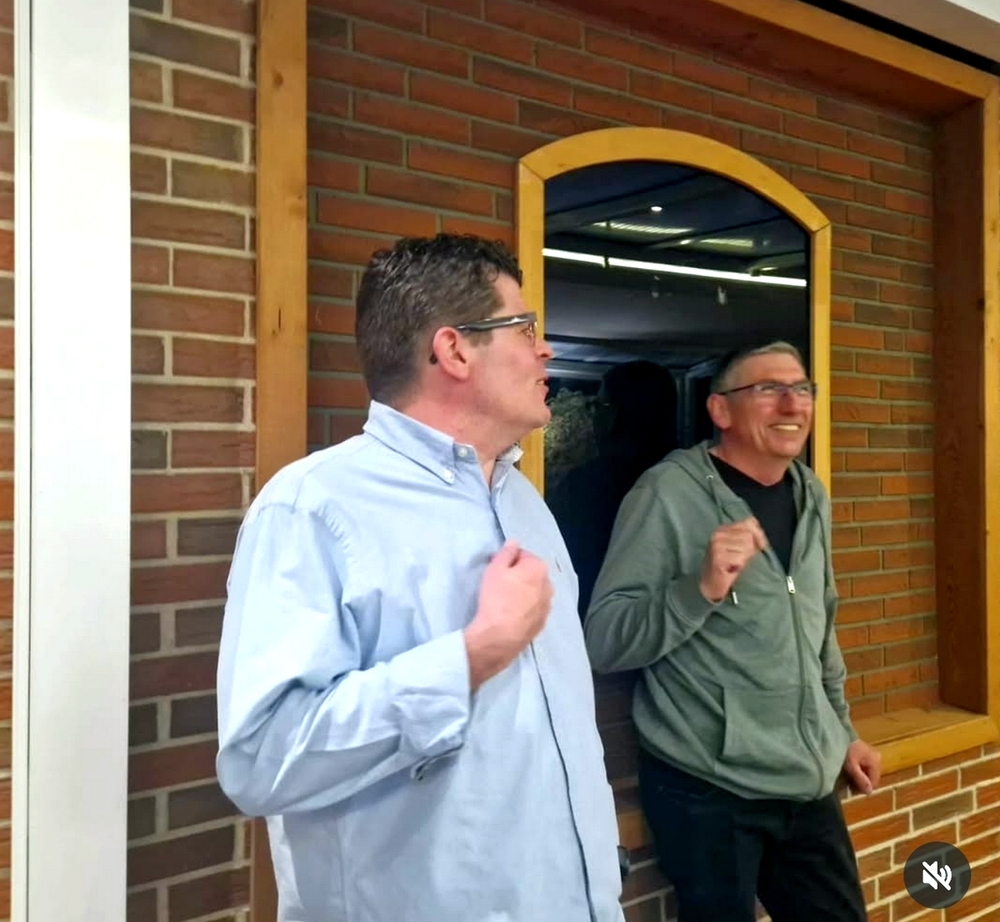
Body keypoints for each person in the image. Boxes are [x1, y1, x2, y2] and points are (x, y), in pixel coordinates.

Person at [215, 233, 625, 922]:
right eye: (525, 329)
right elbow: (262, 759)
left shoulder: (526, 504)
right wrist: (475, 654)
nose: (546, 350)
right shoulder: (313, 508)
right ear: (454, 350)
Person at [584, 341, 880, 922]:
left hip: (805, 778)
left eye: (802, 389)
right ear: (720, 410)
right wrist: (699, 590)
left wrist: (842, 731)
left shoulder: (809, 492)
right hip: (706, 787)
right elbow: (606, 639)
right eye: (769, 389)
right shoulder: (666, 494)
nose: (792, 403)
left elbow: (819, 624)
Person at [548, 360, 678, 616]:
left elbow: (560, 564)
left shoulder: (583, 486)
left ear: (618, 415)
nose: (593, 417)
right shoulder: (690, 482)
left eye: (599, 406)